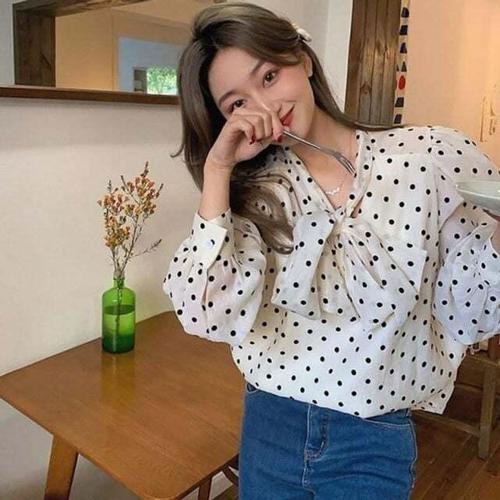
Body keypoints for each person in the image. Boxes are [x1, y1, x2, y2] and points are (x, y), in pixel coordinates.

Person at [163, 2, 500, 499]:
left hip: (373, 437)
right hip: (271, 423)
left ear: (303, 59)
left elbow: (471, 312)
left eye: (269, 77)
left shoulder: (429, 157)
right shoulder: (253, 193)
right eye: (237, 104)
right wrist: (217, 170)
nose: (264, 106)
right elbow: (205, 312)